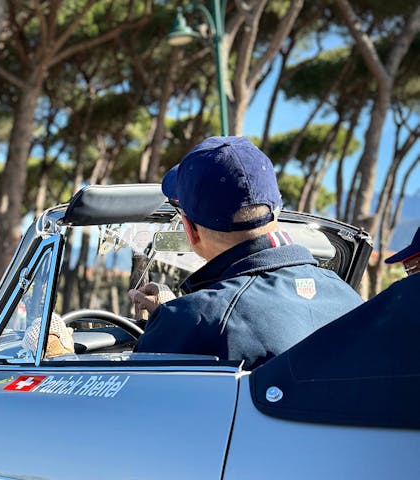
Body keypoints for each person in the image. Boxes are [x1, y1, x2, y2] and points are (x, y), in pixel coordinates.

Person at [128, 136, 362, 370]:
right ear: (276, 211)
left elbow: (135, 398)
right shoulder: (348, 298)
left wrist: (167, 322)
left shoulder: (189, 323)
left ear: (190, 229)